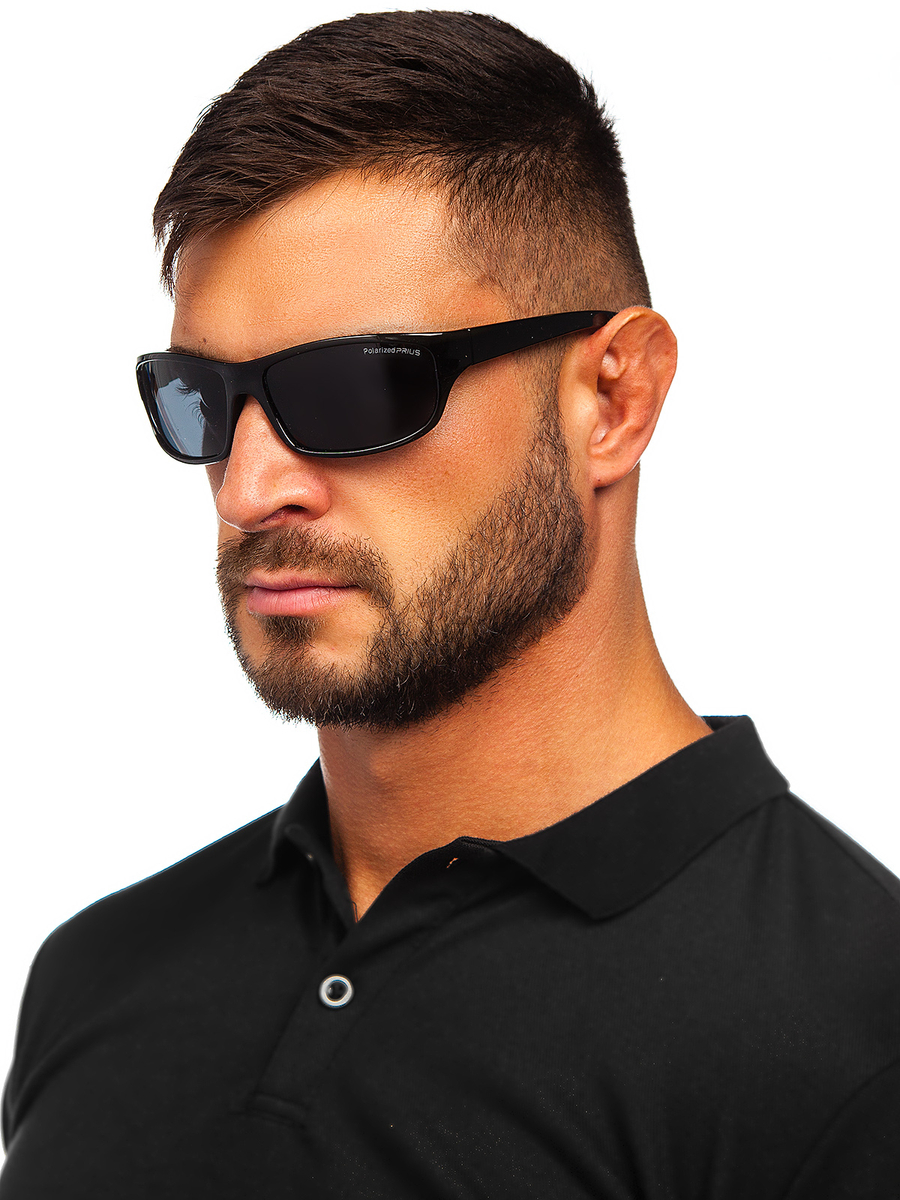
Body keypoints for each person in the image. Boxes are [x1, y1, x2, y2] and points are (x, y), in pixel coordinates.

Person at [2, 9, 898, 1198]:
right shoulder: (96, 976)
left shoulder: (853, 1038)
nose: (249, 488)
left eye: (355, 388)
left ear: (613, 400)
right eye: (203, 400)